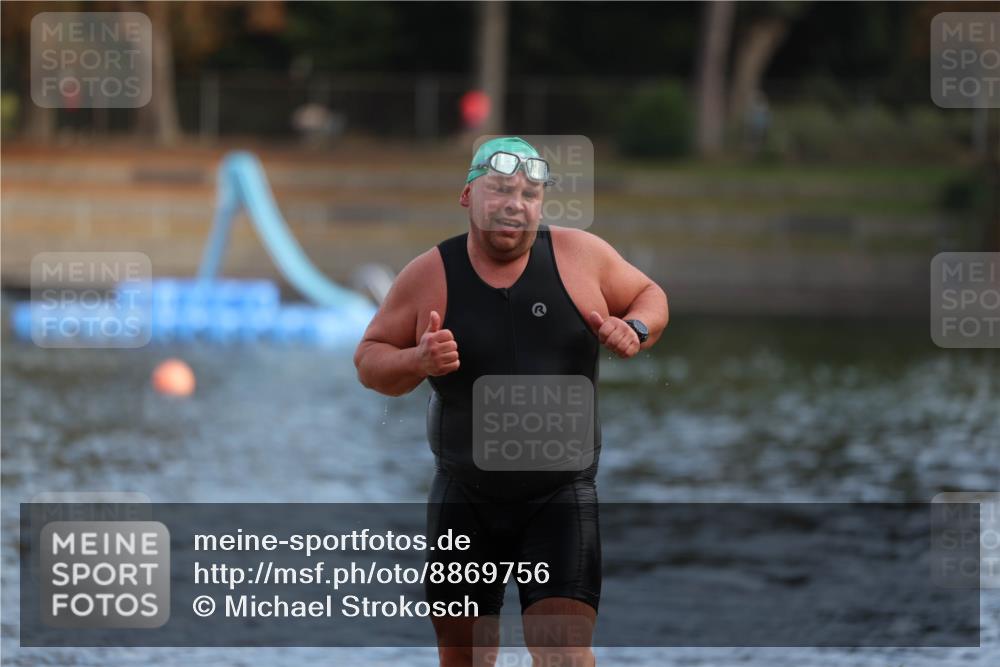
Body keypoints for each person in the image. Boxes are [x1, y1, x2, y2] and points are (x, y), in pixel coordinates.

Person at [354, 136, 668, 666]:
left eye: (529, 193)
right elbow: (369, 360)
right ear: (467, 197)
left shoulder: (580, 256)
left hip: (560, 497)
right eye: (499, 189)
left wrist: (633, 328)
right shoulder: (430, 274)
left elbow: (650, 296)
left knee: (564, 654)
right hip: (465, 500)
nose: (514, 203)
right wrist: (418, 361)